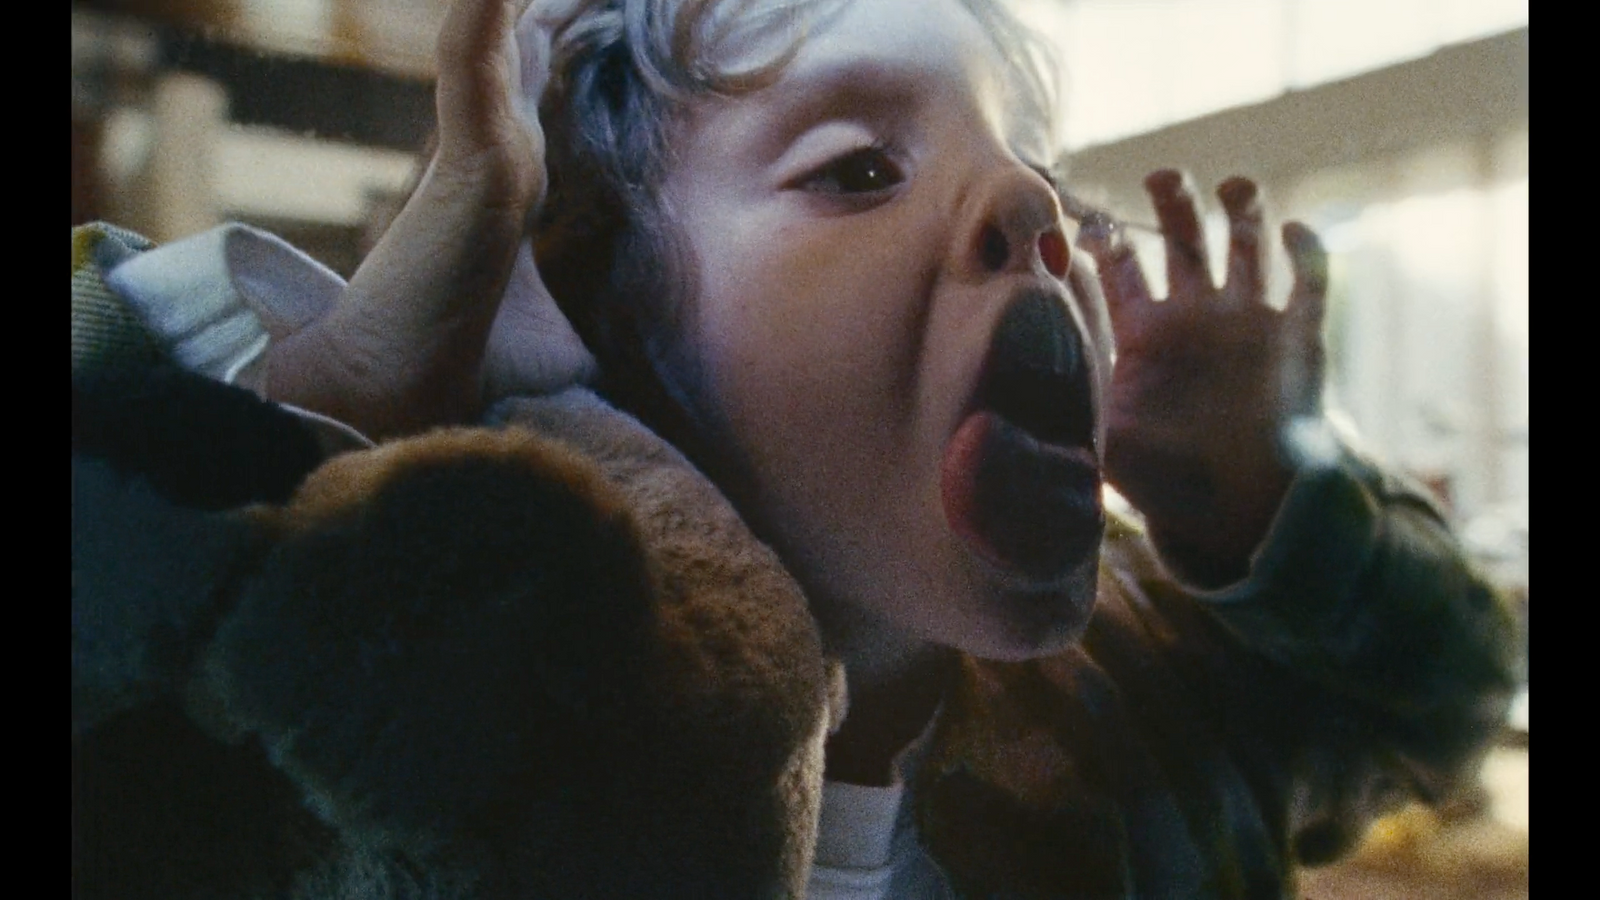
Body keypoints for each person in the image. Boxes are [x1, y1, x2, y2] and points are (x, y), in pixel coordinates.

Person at [71, 0, 1523, 896]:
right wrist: (348, 377)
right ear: (588, 326)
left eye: (1036, 162)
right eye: (860, 170)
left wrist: (1264, 496)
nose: (1031, 204)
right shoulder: (467, 725)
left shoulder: (1147, 682)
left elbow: (1440, 710)